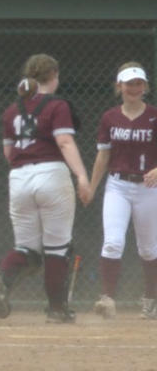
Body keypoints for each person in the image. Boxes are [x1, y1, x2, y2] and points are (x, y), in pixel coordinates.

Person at [0, 54, 91, 323]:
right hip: (51, 173)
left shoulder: (12, 110)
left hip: (19, 177)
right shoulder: (57, 105)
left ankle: (3, 278)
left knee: (26, 247)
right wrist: (81, 176)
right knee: (56, 247)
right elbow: (65, 142)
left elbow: (8, 152)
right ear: (53, 74)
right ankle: (57, 310)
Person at [89, 62, 157, 320]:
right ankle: (107, 299)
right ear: (119, 86)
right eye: (129, 84)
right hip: (117, 184)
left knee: (149, 248)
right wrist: (92, 187)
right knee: (113, 242)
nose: (134, 88)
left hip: (148, 186)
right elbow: (102, 156)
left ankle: (151, 298)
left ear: (145, 86)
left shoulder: (153, 115)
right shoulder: (110, 117)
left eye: (139, 83)